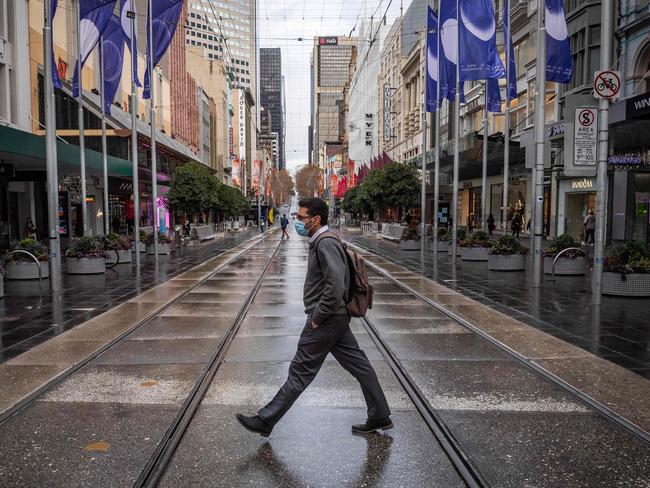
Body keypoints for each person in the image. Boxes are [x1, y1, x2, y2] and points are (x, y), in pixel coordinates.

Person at [236, 197, 392, 437]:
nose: (298, 222)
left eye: (301, 218)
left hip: (327, 318)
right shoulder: (323, 240)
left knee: (301, 370)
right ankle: (379, 414)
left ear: (316, 219)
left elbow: (335, 284)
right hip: (336, 318)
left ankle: (265, 420)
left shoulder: (325, 242)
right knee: (360, 365)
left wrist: (318, 317)